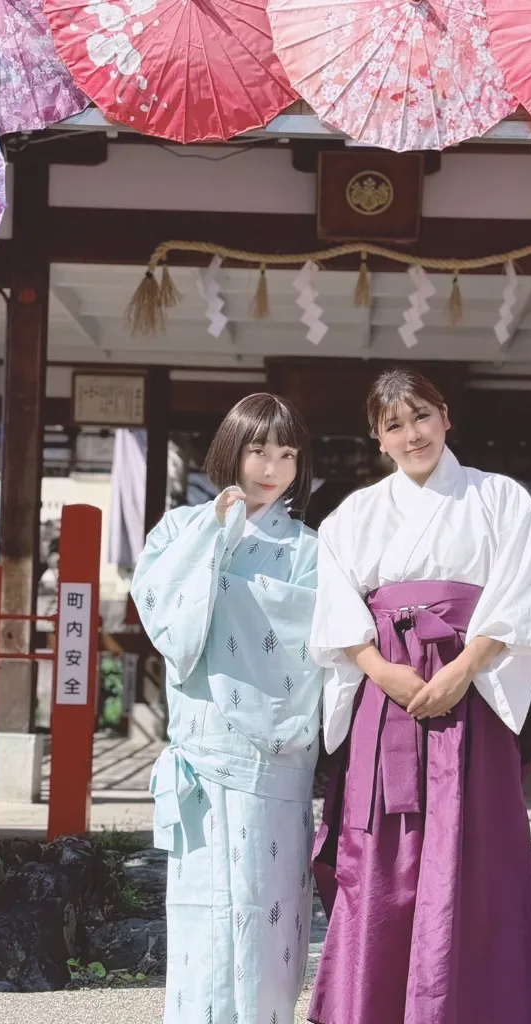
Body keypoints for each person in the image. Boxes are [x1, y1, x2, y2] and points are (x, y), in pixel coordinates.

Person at [308, 369, 531, 1024]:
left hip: (471, 694)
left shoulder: (501, 500)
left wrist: (463, 670)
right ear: (376, 439)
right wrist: (379, 669)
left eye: (421, 416)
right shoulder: (353, 515)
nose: (411, 434)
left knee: (479, 861)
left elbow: (517, 599)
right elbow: (334, 612)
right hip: (387, 699)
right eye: (394, 425)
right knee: (381, 863)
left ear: (446, 417)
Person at [132, 393, 323, 1024]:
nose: (273, 466)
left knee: (269, 920)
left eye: (288, 454)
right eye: (259, 449)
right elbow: (164, 613)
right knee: (203, 921)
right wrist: (213, 533)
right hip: (203, 751)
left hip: (275, 760)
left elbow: (320, 647)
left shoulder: (310, 549)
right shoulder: (179, 531)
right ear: (232, 451)